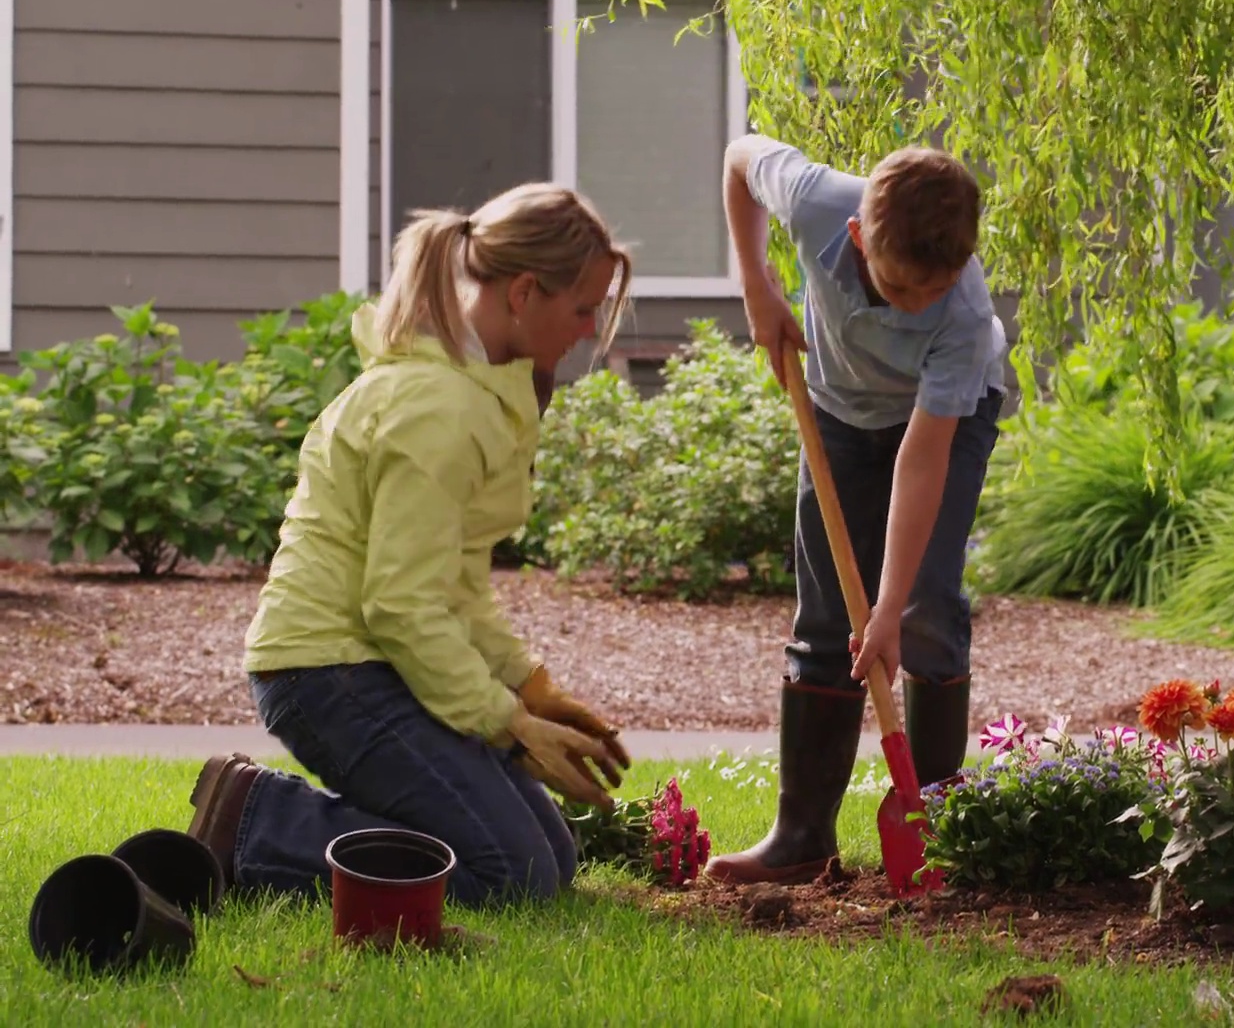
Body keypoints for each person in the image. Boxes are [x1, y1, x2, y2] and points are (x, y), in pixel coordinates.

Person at [186, 183, 635, 907]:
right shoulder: (438, 410)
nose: (588, 329)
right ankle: (254, 824)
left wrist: (529, 685)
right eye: (582, 308)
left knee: (550, 857)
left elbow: (453, 582)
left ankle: (300, 828)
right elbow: (399, 605)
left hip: (373, 663)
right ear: (524, 292)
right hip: (326, 674)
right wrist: (507, 726)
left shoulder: (474, 389)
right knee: (511, 878)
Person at [704, 135, 1008, 885]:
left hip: (942, 425)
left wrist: (891, 606)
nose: (914, 307)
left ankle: (938, 831)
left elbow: (922, 459)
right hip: (837, 412)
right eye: (899, 289)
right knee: (824, 616)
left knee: (926, 609)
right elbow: (741, 159)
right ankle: (802, 836)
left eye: (930, 293)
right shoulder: (816, 201)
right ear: (857, 237)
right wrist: (757, 286)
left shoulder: (963, 317)